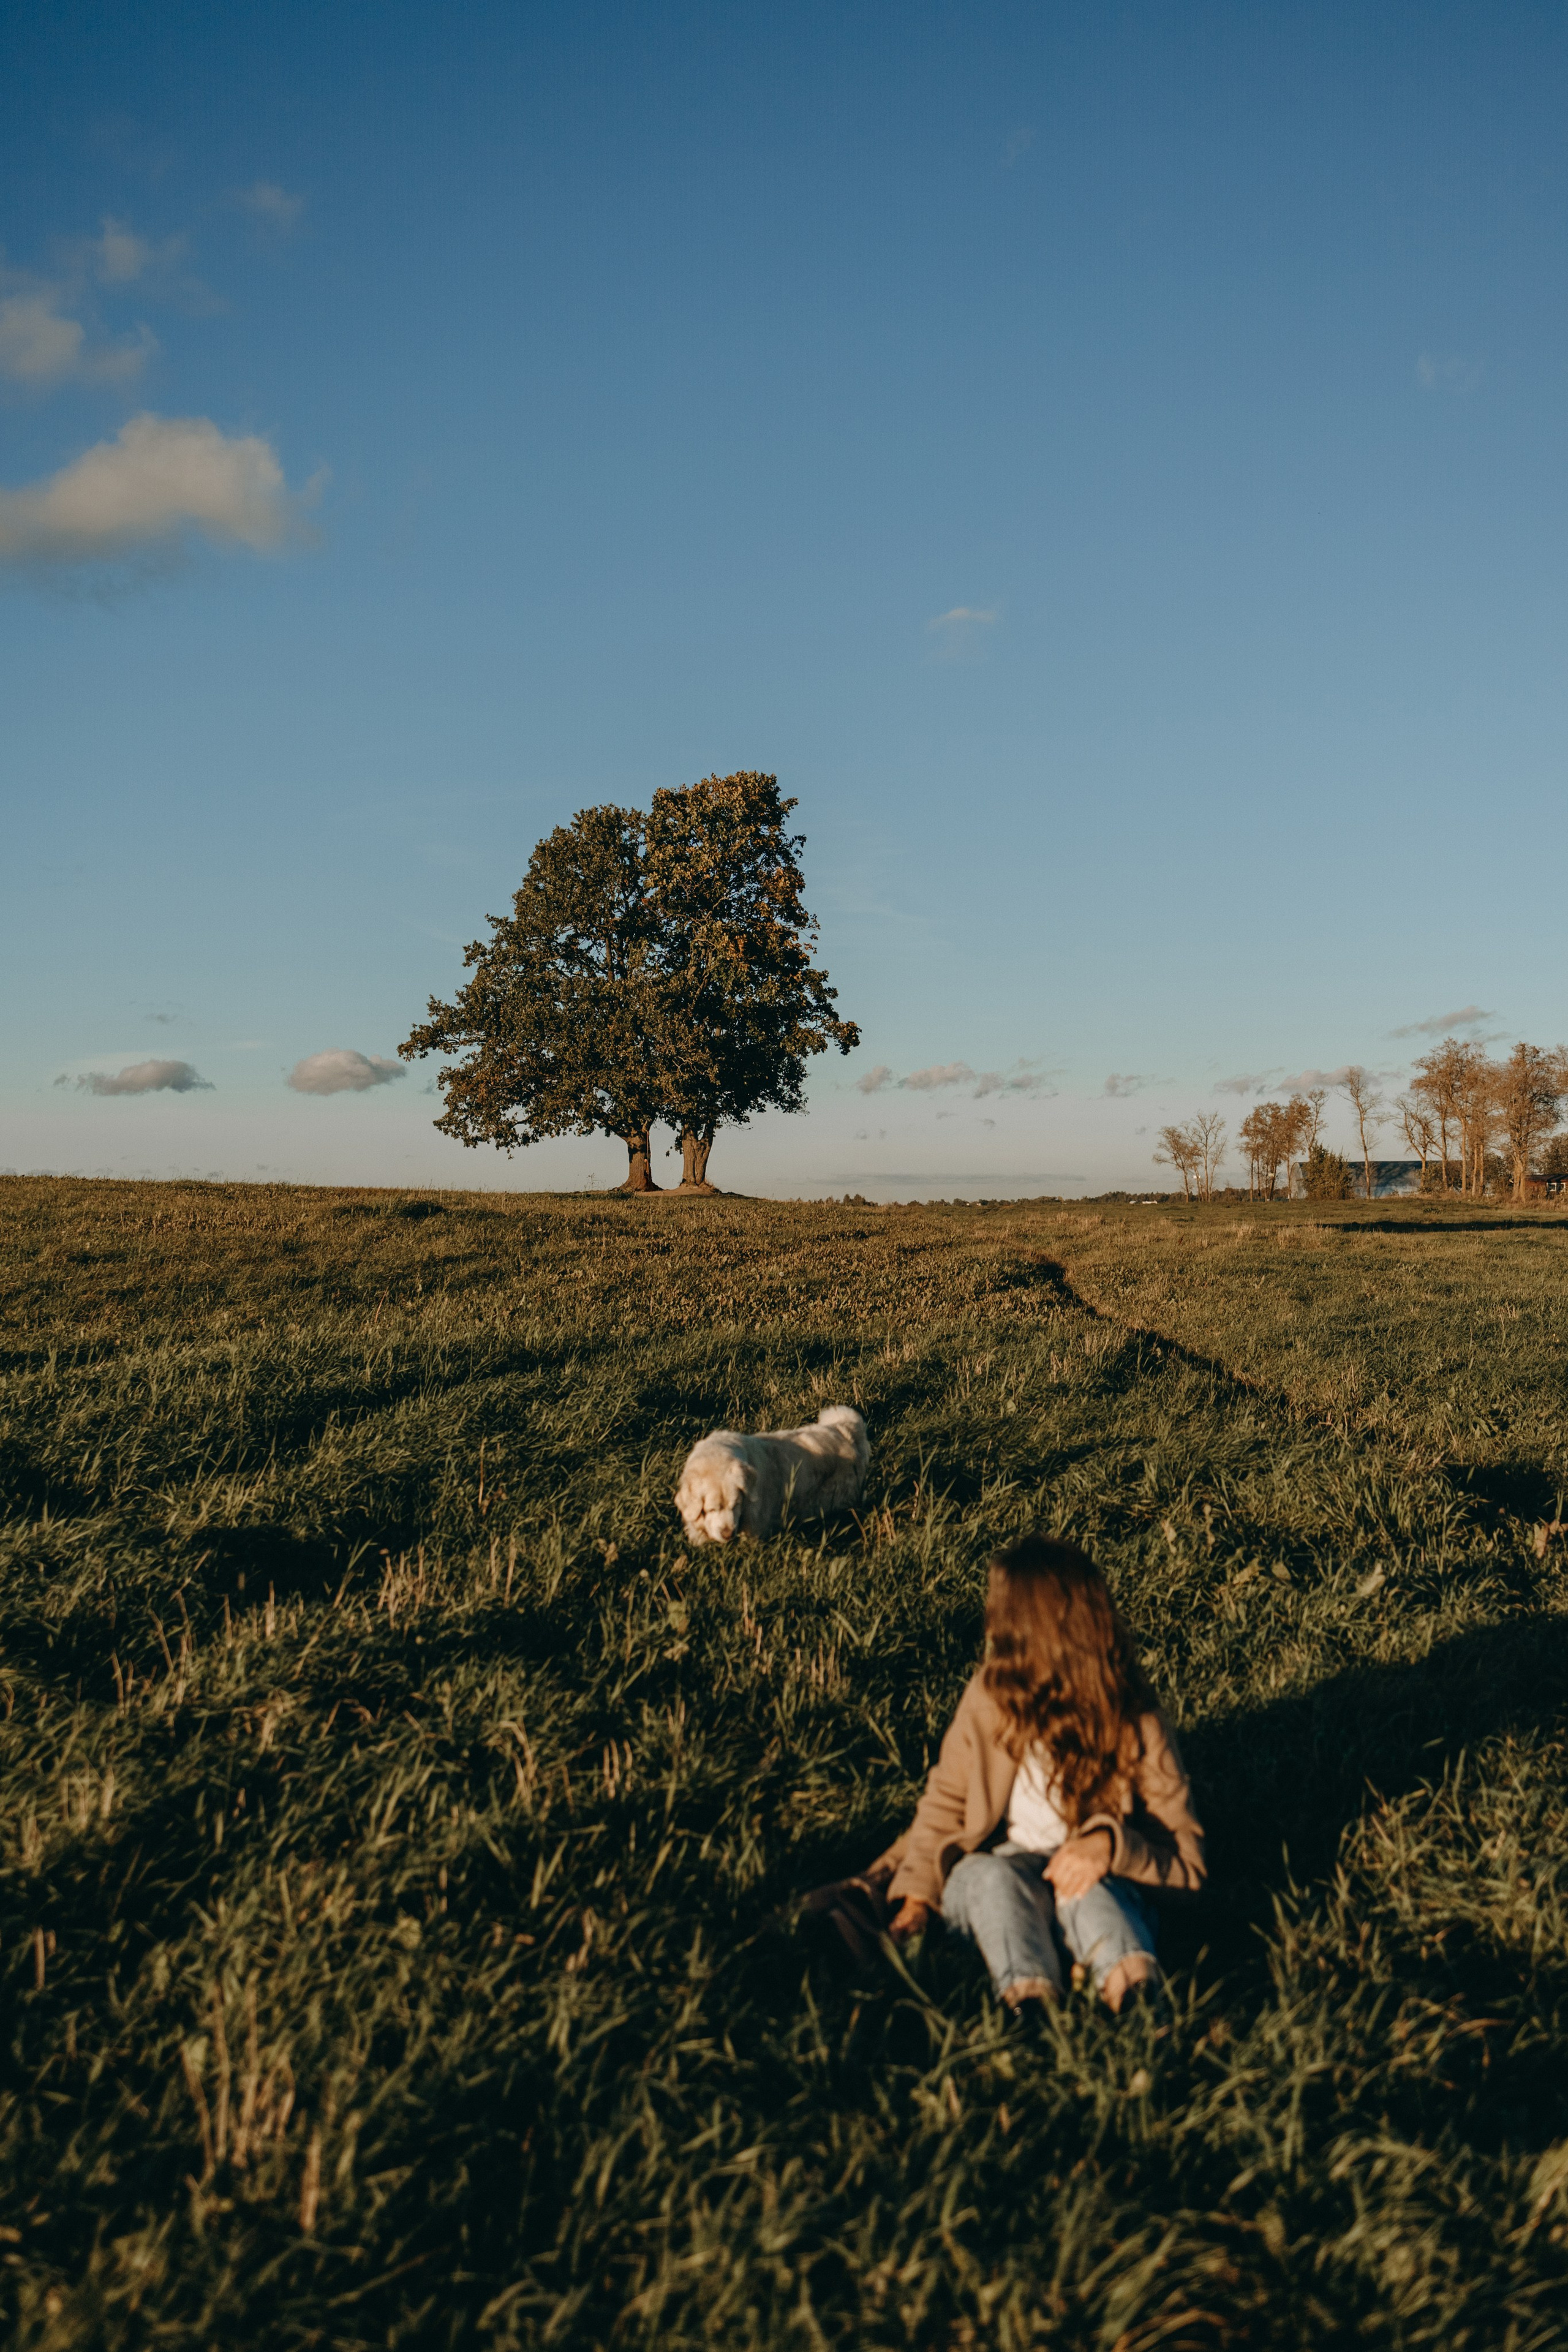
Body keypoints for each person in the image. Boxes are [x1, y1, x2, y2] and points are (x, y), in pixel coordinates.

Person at [870, 1534, 1205, 2020]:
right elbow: (945, 1803)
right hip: (1001, 1869)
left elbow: (1188, 1866)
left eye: (1001, 1617)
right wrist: (918, 1897)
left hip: (1096, 1875)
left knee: (1091, 1894)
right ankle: (1030, 2008)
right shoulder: (989, 1697)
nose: (990, 1628)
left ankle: (1139, 2006)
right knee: (989, 1877)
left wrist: (1111, 1849)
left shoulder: (1135, 1719)